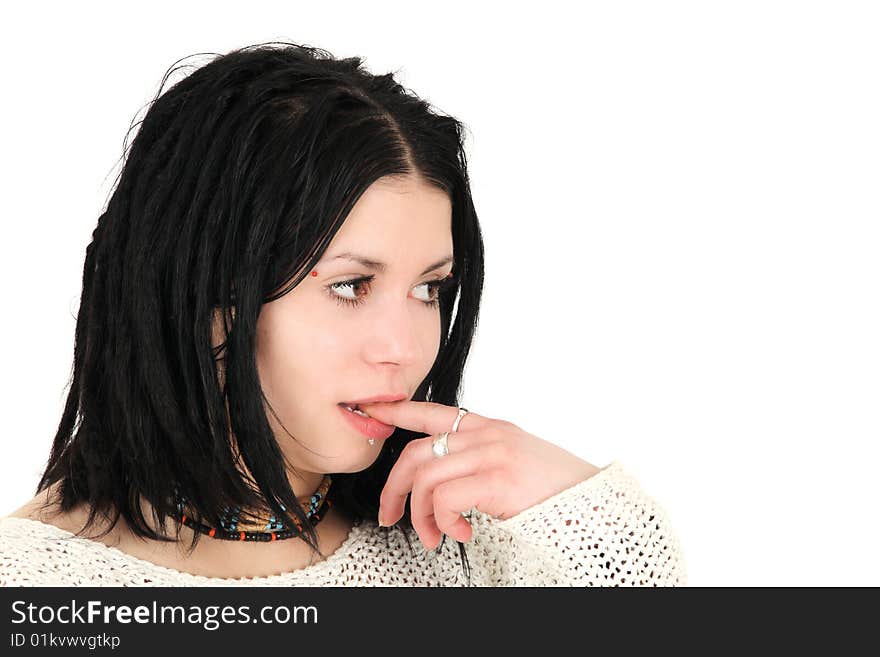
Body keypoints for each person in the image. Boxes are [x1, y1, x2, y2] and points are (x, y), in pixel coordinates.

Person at [0, 41, 687, 586]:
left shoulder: (474, 551)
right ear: (205, 292)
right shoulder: (33, 586)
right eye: (352, 285)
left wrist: (580, 505)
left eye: (429, 289)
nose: (403, 349)